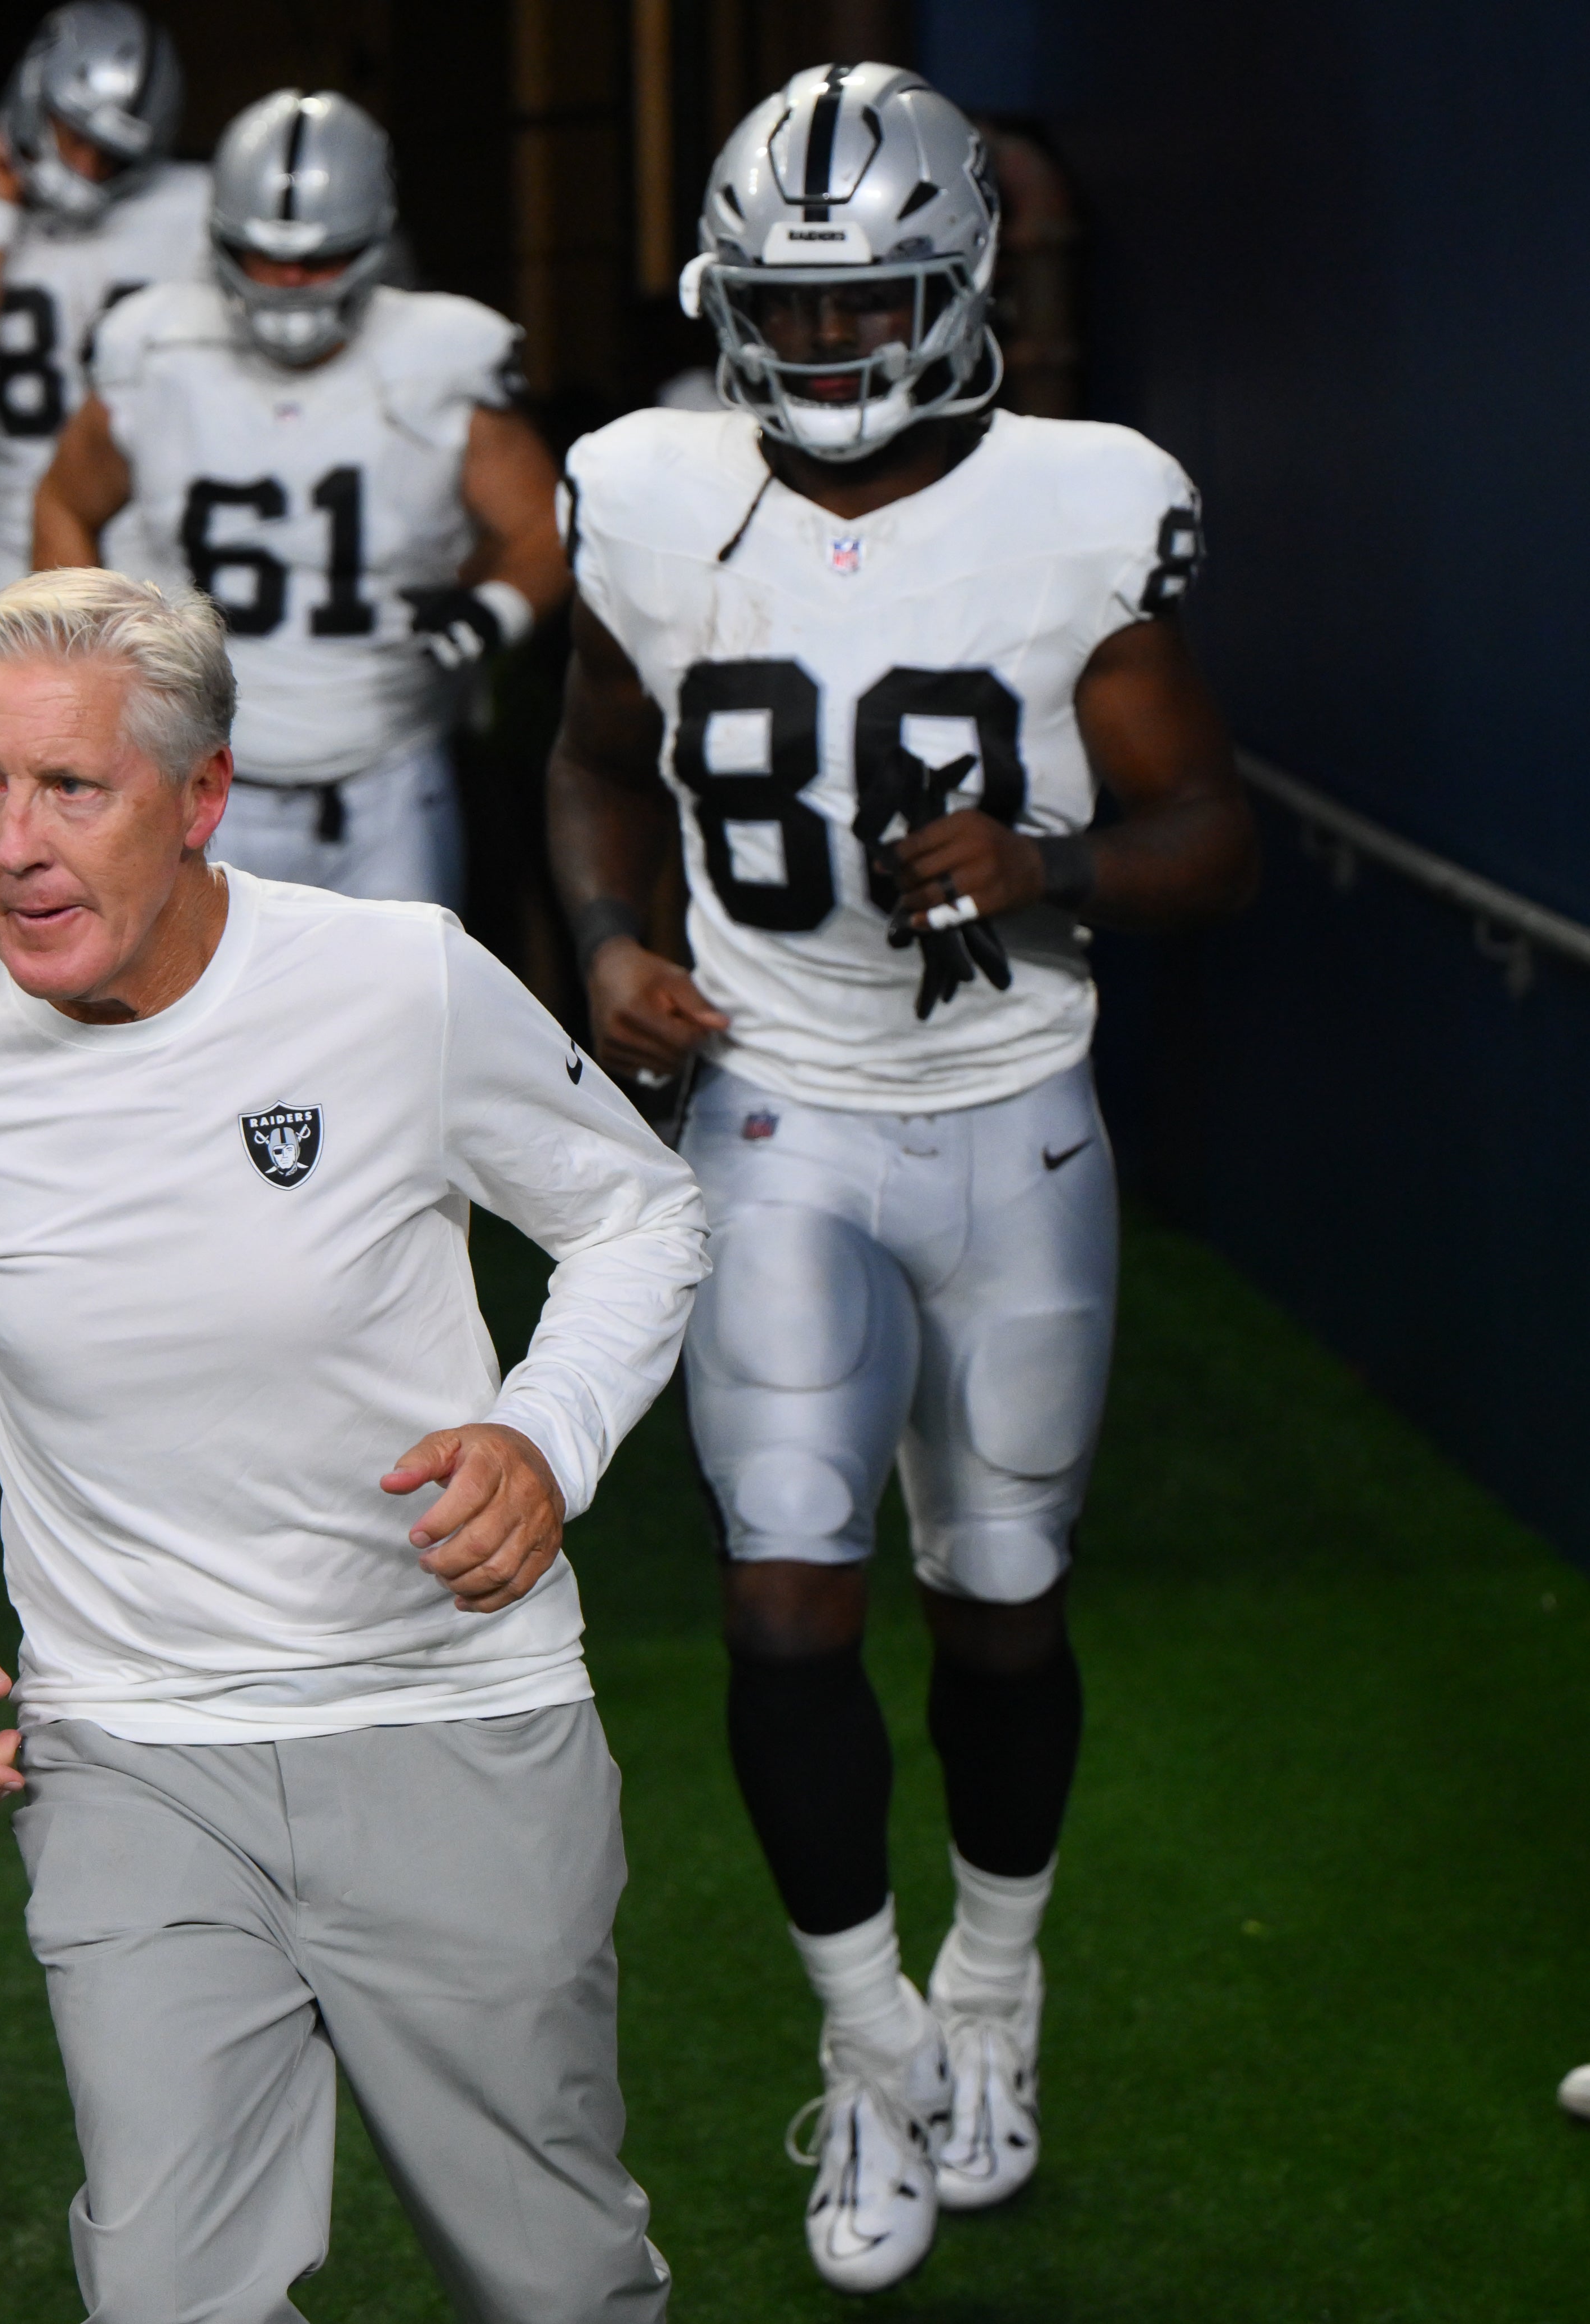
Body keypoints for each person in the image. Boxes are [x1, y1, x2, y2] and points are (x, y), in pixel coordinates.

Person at [544, 63, 1256, 2292]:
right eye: (785, 307)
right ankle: (868, 2047)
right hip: (778, 1109)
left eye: (864, 306)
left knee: (1002, 1595)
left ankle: (995, 1991)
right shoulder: (647, 491)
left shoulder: (1081, 503)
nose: (825, 345)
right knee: (782, 1595)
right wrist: (608, 943)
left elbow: (1211, 833)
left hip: (1014, 1110)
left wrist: (1053, 865)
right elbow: (590, 760)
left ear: (961, 291)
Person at [0, 567, 704, 2324]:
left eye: (70, 786)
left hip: (451, 1719)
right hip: (131, 1747)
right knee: (169, 2300)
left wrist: (543, 1438)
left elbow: (637, 1212)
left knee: (553, 2286)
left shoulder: (398, 982)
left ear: (201, 794)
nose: (13, 843)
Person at [33, 89, 565, 905]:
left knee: (400, 988)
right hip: (197, 778)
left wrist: (493, 610)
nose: (287, 282)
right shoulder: (155, 350)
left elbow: (546, 526)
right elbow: (63, 502)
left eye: (319, 260)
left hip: (385, 775)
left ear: (374, 241)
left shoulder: (439, 357)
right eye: (260, 257)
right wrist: (89, 654)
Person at [0, 3, 209, 599]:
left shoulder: (197, 207)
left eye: (113, 156)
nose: (88, 168)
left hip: (173, 552)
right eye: (76, 137)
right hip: (20, 552)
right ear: (31, 98)